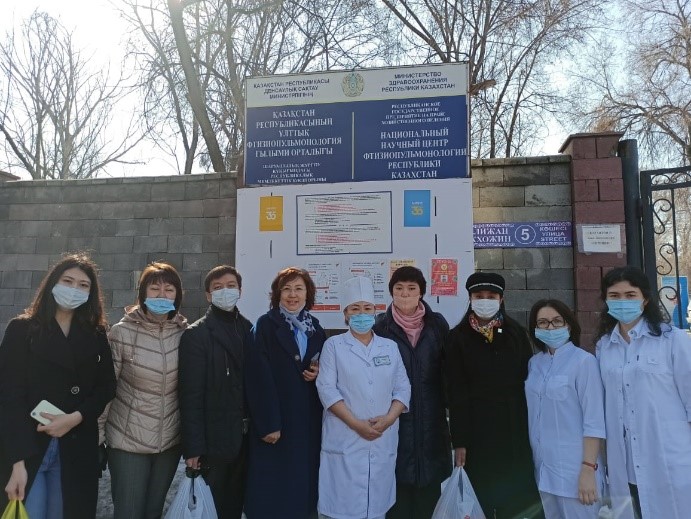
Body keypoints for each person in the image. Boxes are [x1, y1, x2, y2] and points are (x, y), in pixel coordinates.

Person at [0, 253, 116, 519]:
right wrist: (16, 462)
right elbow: (9, 397)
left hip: (75, 447)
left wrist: (75, 418)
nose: (74, 289)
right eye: (68, 281)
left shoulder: (96, 333)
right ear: (53, 283)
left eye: (83, 285)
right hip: (29, 448)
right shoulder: (22, 329)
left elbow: (106, 386)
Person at [595, 266, 691, 519]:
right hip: (625, 463)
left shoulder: (672, 340)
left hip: (669, 458)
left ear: (645, 298)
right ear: (606, 300)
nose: (622, 301)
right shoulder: (604, 346)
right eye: (614, 296)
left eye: (630, 295)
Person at [445, 272, 542, 518]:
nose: (485, 301)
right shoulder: (457, 338)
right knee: (481, 500)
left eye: (491, 296)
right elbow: (456, 391)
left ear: (501, 299)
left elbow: (527, 380)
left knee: (516, 501)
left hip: (514, 430)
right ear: (470, 299)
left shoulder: (516, 333)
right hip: (477, 434)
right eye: (479, 296)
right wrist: (460, 441)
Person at [317, 276, 411, 519]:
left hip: (382, 437)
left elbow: (403, 388)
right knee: (343, 509)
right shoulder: (333, 346)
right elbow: (327, 389)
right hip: (346, 438)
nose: (361, 314)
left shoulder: (389, 347)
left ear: (375, 312)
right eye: (355, 309)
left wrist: (389, 419)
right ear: (345, 314)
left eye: (367, 308)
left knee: (377, 508)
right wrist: (356, 424)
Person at [101, 261, 188, 519]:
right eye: (154, 289)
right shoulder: (122, 333)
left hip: (169, 442)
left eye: (169, 290)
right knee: (129, 511)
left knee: (153, 511)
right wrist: (97, 435)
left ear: (177, 295)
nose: (162, 295)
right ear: (142, 293)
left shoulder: (184, 333)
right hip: (128, 442)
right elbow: (106, 388)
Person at [244, 267, 326, 519]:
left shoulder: (316, 328)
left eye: (299, 289)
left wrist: (319, 372)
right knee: (273, 487)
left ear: (307, 294)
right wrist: (269, 423)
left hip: (307, 421)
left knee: (302, 485)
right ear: (277, 294)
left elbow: (325, 365)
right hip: (276, 421)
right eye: (287, 289)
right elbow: (257, 377)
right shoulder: (265, 326)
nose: (293, 295)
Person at [372, 266, 452, 519]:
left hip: (431, 420)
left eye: (411, 288)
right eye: (399, 288)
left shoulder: (437, 324)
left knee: (429, 495)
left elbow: (448, 369)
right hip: (395, 419)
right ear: (391, 292)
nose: (405, 294)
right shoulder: (381, 327)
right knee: (397, 495)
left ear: (421, 293)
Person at [178, 265, 253, 519]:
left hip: (244, 440)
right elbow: (190, 396)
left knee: (235, 507)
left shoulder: (248, 329)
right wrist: (193, 448)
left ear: (240, 291)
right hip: (213, 442)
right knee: (212, 509)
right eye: (218, 288)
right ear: (208, 295)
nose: (225, 291)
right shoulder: (196, 334)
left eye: (231, 286)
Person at [526, 299, 605, 519]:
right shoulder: (534, 363)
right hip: (544, 470)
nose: (550, 327)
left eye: (557, 321)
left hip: (575, 472)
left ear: (568, 325)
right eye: (543, 323)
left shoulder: (584, 362)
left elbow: (594, 421)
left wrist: (588, 469)